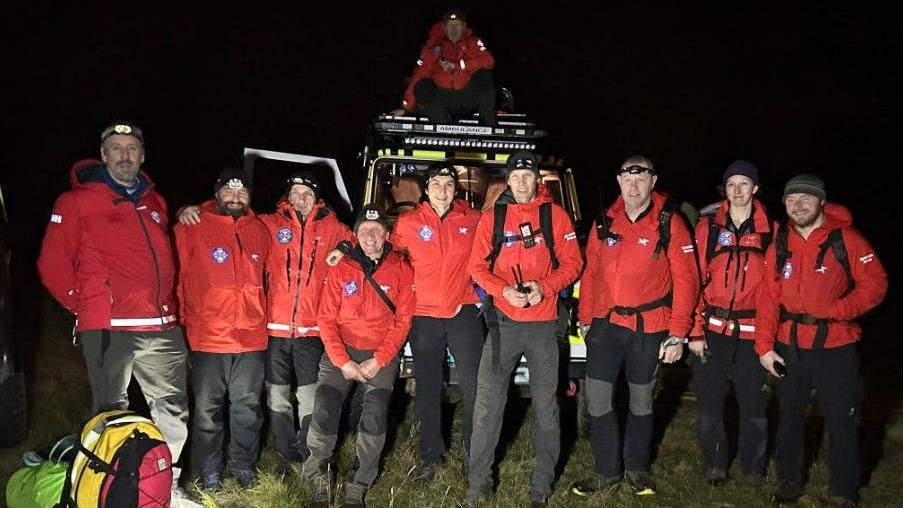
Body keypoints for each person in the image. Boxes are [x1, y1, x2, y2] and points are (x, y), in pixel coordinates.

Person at [37, 121, 193, 503]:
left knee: (173, 410)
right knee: (110, 414)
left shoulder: (155, 202)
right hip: (109, 328)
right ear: (103, 155)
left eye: (132, 148)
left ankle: (161, 484)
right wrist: (88, 306)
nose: (125, 155)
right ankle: (108, 489)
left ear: (142, 156)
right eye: (117, 148)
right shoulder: (75, 201)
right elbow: (51, 265)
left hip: (160, 327)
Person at [181, 172, 353, 470]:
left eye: (308, 194)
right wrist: (189, 210)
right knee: (277, 395)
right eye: (296, 192)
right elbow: (229, 223)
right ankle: (285, 451)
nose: (302, 199)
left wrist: (343, 249)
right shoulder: (267, 224)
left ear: (317, 198)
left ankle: (308, 451)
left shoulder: (333, 227)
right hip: (272, 328)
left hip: (312, 330)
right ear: (287, 196)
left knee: (309, 396)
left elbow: (357, 239)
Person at [572, 155, 699, 496]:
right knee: (598, 399)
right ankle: (605, 471)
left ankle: (637, 469)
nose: (634, 185)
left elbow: (687, 280)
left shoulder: (669, 222)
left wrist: (677, 333)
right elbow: (591, 274)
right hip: (606, 325)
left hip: (650, 326)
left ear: (653, 182)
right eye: (628, 179)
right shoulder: (604, 222)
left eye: (641, 178)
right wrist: (586, 319)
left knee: (641, 401)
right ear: (618, 182)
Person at [756, 174, 887, 507]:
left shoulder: (848, 239)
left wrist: (841, 309)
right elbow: (768, 299)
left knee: (841, 419)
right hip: (790, 345)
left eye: (805, 199)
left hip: (836, 347)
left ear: (821, 202)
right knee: (788, 417)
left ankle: (843, 491)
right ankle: (788, 482)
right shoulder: (780, 243)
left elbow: (875, 284)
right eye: (791, 200)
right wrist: (765, 347)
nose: (798, 205)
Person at [465, 151, 583, 507]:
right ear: (508, 180)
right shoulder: (493, 218)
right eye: (515, 176)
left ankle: (541, 487)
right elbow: (476, 267)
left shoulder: (555, 215)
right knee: (487, 405)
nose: (521, 182)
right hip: (504, 326)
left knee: (546, 405)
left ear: (537, 180)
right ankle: (478, 486)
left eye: (527, 176)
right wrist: (503, 291)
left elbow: (574, 263)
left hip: (545, 325)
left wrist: (542, 287)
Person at [303, 205, 415, 508]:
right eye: (365, 230)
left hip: (381, 355)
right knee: (324, 408)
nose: (371, 236)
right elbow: (325, 318)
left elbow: (403, 321)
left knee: (375, 416)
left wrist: (379, 360)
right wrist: (342, 361)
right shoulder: (341, 267)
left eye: (377, 230)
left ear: (387, 235)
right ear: (355, 234)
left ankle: (359, 483)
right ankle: (319, 478)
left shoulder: (402, 269)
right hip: (342, 352)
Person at [173, 168, 269, 490]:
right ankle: (210, 469)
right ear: (217, 194)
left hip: (252, 338)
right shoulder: (192, 227)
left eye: (242, 193)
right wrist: (183, 326)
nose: (236, 197)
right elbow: (179, 279)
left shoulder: (260, 229)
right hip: (208, 337)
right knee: (207, 410)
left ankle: (243, 466)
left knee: (248, 407)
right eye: (229, 191)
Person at [393, 165, 484, 480]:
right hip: (424, 315)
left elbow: (489, 258)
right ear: (426, 188)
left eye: (448, 183)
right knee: (428, 389)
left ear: (455, 188)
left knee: (475, 388)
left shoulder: (474, 220)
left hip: (465, 311)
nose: (442, 189)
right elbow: (394, 264)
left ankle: (476, 456)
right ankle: (430, 457)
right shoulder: (407, 223)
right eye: (436, 183)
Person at [688, 160, 772, 486]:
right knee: (709, 402)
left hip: (752, 333)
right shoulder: (708, 228)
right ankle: (716, 463)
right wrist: (694, 330)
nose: (737, 191)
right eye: (732, 185)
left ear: (755, 189)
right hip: (711, 330)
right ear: (725, 190)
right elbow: (693, 280)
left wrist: (768, 339)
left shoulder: (770, 231)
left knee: (752, 404)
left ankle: (753, 469)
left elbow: (774, 290)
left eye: (744, 184)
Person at [389, 8, 496, 125]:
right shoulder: (433, 47)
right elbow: (419, 75)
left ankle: (488, 124)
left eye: (457, 25)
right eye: (450, 26)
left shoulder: (473, 43)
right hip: (443, 100)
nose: (454, 29)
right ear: (444, 28)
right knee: (421, 86)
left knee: (484, 75)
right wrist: (405, 107)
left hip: (467, 99)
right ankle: (443, 125)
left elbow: (488, 60)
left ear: (464, 26)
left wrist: (459, 66)